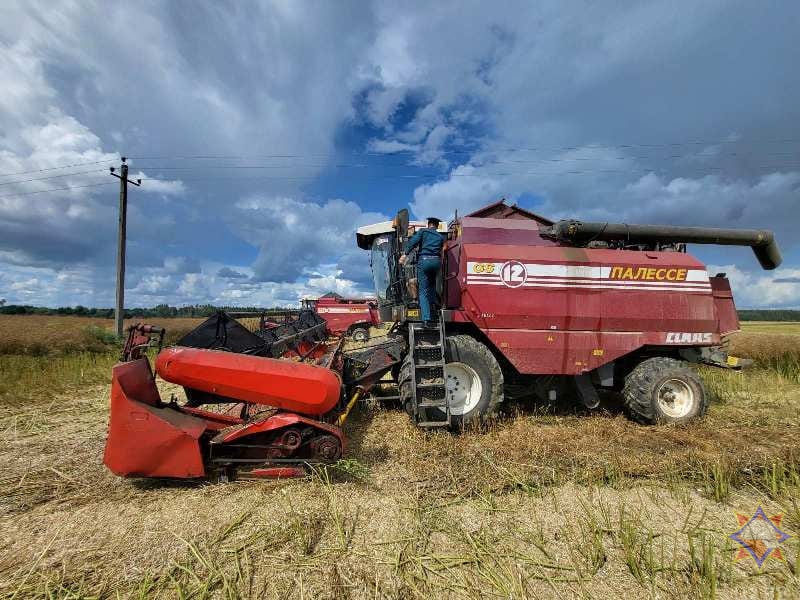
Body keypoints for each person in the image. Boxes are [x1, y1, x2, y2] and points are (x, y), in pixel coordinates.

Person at [400, 217, 444, 327]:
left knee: (423, 290)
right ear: (437, 226)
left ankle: (426, 319)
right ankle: (433, 307)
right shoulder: (440, 236)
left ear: (428, 225)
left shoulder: (423, 232)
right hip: (437, 262)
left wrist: (405, 254)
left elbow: (413, 242)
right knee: (432, 285)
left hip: (425, 261)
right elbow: (442, 249)